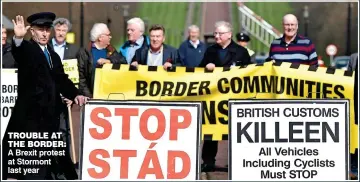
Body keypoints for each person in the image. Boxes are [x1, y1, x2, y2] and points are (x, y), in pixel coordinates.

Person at [2, 12, 88, 180]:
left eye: (47, 30)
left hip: (50, 115)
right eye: (40, 30)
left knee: (47, 159)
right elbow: (18, 52)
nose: (44, 33)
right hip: (31, 116)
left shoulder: (53, 55)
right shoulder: (27, 49)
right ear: (32, 31)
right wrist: (18, 39)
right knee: (32, 159)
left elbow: (61, 79)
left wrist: (76, 94)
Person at [199, 21, 251, 172]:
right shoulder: (210, 51)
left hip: (235, 98)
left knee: (236, 131)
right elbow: (198, 72)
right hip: (214, 100)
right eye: (215, 33)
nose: (216, 36)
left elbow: (250, 74)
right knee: (211, 130)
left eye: (220, 33)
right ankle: (208, 161)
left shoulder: (241, 52)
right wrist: (206, 68)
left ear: (229, 34)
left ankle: (237, 160)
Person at [77, 23, 127, 98]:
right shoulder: (84, 52)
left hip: (109, 96)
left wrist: (109, 61)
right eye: (108, 35)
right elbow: (81, 78)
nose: (110, 37)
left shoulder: (111, 50)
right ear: (100, 37)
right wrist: (90, 96)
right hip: (91, 97)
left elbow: (123, 61)